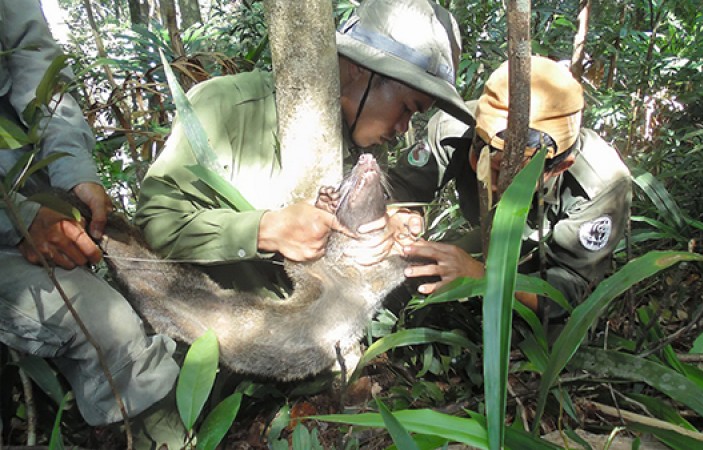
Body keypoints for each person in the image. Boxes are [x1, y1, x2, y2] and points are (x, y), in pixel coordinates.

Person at [134, 0, 474, 297]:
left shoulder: (360, 142)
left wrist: (388, 226)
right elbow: (156, 224)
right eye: (407, 108)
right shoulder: (227, 106)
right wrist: (266, 230)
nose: (403, 129)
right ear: (362, 70)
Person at [0, 1, 183, 448]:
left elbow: (36, 63)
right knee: (110, 326)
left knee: (117, 327)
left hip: (28, 200)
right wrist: (18, 219)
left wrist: (73, 176)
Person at [393, 55, 633, 317]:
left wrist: (482, 279)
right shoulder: (453, 128)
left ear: (558, 168)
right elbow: (404, 187)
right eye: (484, 162)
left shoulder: (601, 184)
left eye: (511, 177)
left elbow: (569, 290)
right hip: (492, 236)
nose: (494, 186)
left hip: (541, 263)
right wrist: (402, 216)